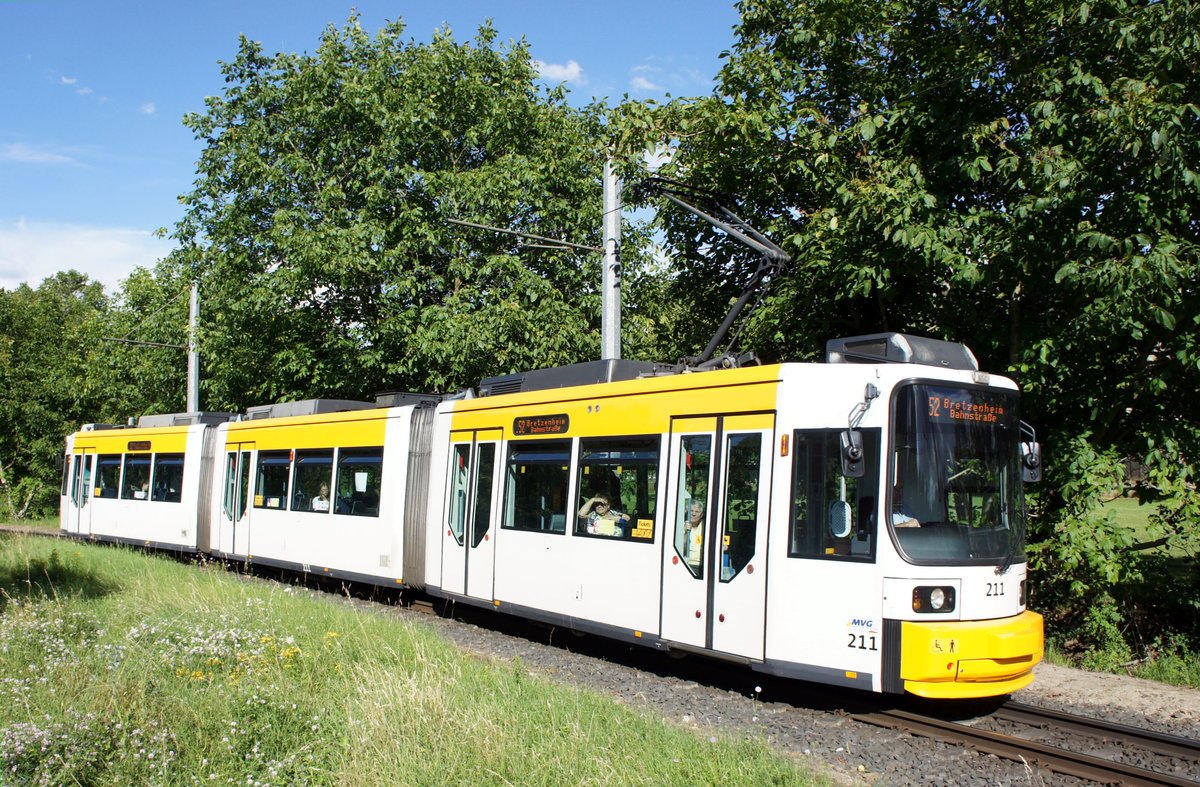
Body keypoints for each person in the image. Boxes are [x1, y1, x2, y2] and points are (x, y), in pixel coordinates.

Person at [684, 500, 704, 568]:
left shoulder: (706, 527)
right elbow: (680, 548)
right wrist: (686, 532)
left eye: (697, 511)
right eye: (691, 511)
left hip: (703, 564)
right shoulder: (681, 526)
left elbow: (724, 546)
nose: (693, 514)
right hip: (686, 563)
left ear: (701, 515)